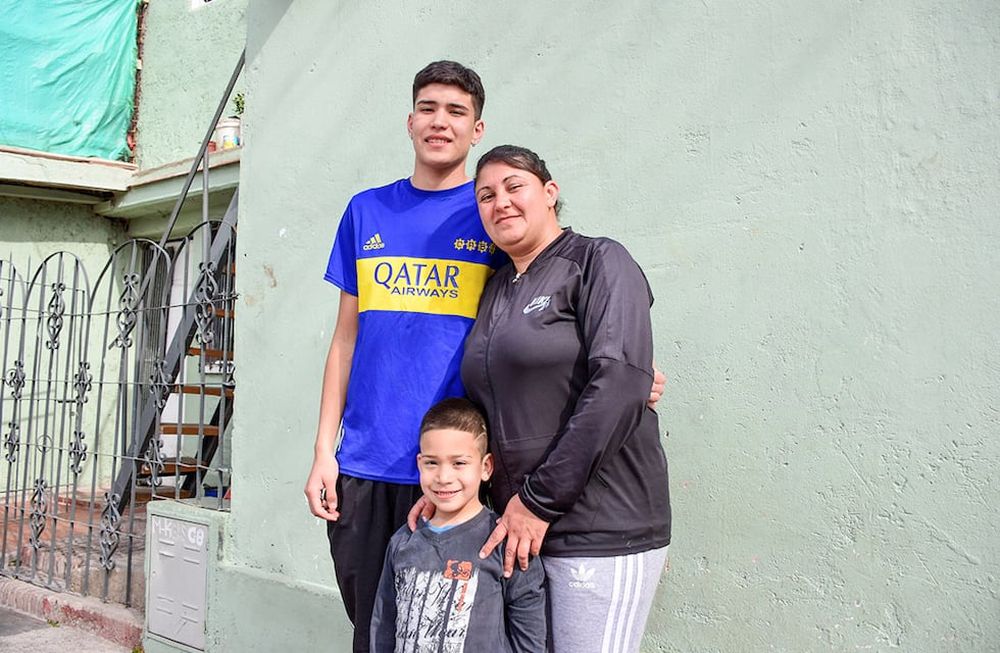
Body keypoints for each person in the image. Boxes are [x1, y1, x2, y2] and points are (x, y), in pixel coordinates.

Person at [305, 61, 664, 652]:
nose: (440, 122)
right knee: (376, 635)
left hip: (465, 478)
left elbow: (543, 327)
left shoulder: (495, 221)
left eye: (456, 112)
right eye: (428, 108)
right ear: (410, 120)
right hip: (366, 467)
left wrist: (629, 371)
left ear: (477, 130)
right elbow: (345, 340)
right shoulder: (366, 210)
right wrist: (324, 451)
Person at [462, 145, 672, 653]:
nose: (501, 202)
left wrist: (538, 502)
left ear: (550, 193)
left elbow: (619, 382)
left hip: (599, 527)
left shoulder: (598, 260)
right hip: (521, 533)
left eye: (515, 186)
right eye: (487, 195)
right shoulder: (494, 289)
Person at [370, 398, 546, 652]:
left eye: (459, 463)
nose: (443, 477)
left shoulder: (504, 544)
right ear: (419, 463)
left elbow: (529, 638)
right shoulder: (403, 541)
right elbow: (383, 626)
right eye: (432, 462)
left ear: (485, 467)